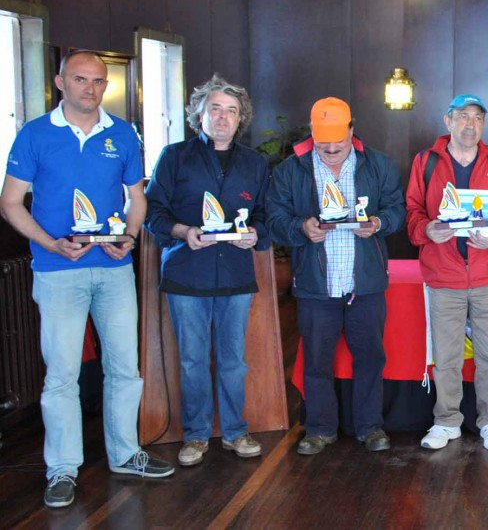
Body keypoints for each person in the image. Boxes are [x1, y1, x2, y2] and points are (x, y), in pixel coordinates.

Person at [0, 50, 174, 509]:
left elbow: (136, 198)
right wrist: (51, 243)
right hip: (58, 271)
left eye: (98, 81)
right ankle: (61, 468)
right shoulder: (35, 134)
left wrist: (129, 237)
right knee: (61, 374)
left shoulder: (122, 133)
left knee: (125, 368)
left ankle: (126, 454)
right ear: (61, 82)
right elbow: (10, 203)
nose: (90, 89)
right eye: (80, 79)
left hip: (113, 268)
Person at [143, 75, 271, 466]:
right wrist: (183, 232)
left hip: (235, 274)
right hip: (187, 273)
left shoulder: (254, 163)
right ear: (199, 114)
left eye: (231, 111)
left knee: (234, 361)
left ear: (240, 119)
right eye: (215, 108)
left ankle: (235, 432)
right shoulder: (174, 157)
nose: (222, 117)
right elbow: (153, 212)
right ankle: (196, 436)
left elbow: (265, 215)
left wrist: (255, 234)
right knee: (192, 361)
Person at [266, 97, 405, 455]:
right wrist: (301, 228)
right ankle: (320, 428)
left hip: (365, 282)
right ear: (312, 132)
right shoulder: (291, 170)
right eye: (322, 142)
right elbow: (274, 220)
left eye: (338, 143)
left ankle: (370, 427)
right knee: (316, 360)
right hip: (316, 284)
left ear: (352, 131)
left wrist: (377, 223)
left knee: (370, 358)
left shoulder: (378, 165)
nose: (330, 150)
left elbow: (397, 210)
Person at [405, 94, 488, 450]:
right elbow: (412, 210)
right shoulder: (426, 161)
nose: (470, 124)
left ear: (483, 124)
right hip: (444, 276)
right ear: (448, 120)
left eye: (477, 118)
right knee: (446, 357)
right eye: (463, 116)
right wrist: (427, 230)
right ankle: (446, 421)